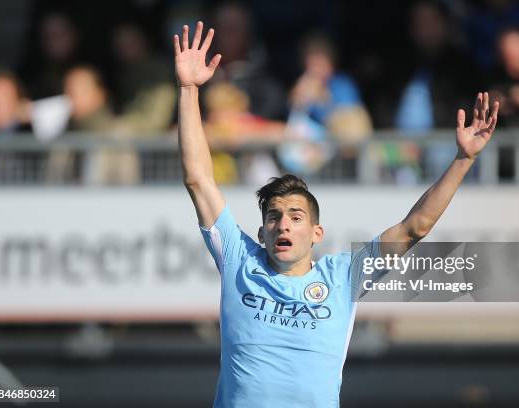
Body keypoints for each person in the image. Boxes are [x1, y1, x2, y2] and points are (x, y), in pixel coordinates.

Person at [174, 22, 499, 407]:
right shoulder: (239, 260)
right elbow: (198, 179)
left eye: (296, 216)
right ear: (261, 233)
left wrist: (463, 160)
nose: (283, 223)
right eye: (274, 216)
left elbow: (416, 227)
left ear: (316, 233)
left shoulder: (343, 276)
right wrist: (189, 90)